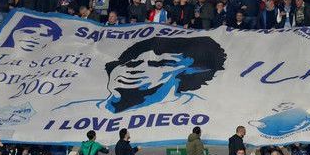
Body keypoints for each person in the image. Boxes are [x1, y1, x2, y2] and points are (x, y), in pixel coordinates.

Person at [56, 38, 227, 113]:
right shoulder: (71, 110)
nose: (134, 69)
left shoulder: (196, 110)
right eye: (129, 62)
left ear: (188, 71)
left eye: (157, 63)